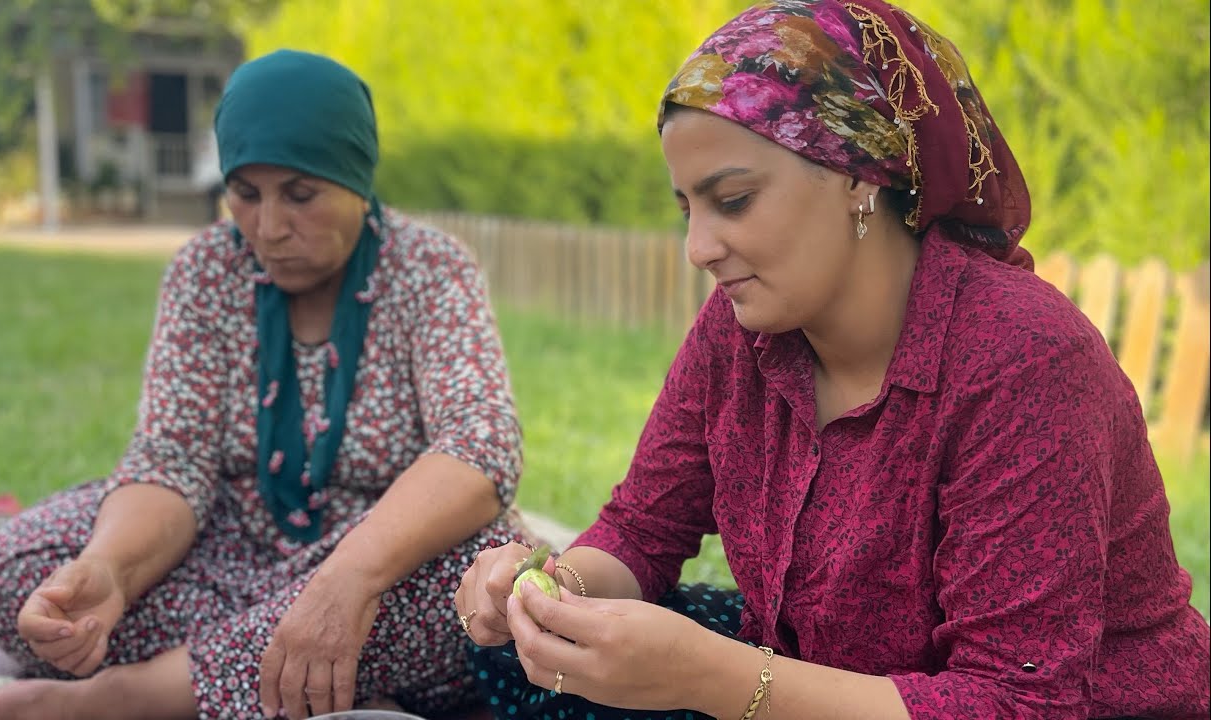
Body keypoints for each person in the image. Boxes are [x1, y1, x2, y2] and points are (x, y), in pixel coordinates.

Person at [455, 2, 1211, 719]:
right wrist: (550, 588)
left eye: (735, 200)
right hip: (820, 681)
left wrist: (714, 679)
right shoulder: (740, 332)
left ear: (857, 174)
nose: (700, 250)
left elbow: (1018, 704)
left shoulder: (1023, 361)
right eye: (689, 209)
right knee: (539, 657)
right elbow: (642, 529)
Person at [0, 50, 524, 720]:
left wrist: (347, 579)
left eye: (301, 195)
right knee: (16, 567)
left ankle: (134, 697)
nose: (269, 228)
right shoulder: (205, 271)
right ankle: (303, 680)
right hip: (224, 549)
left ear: (357, 177)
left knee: (487, 569)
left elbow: (481, 444)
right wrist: (112, 570)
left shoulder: (431, 270)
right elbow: (173, 458)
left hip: (384, 556)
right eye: (245, 195)